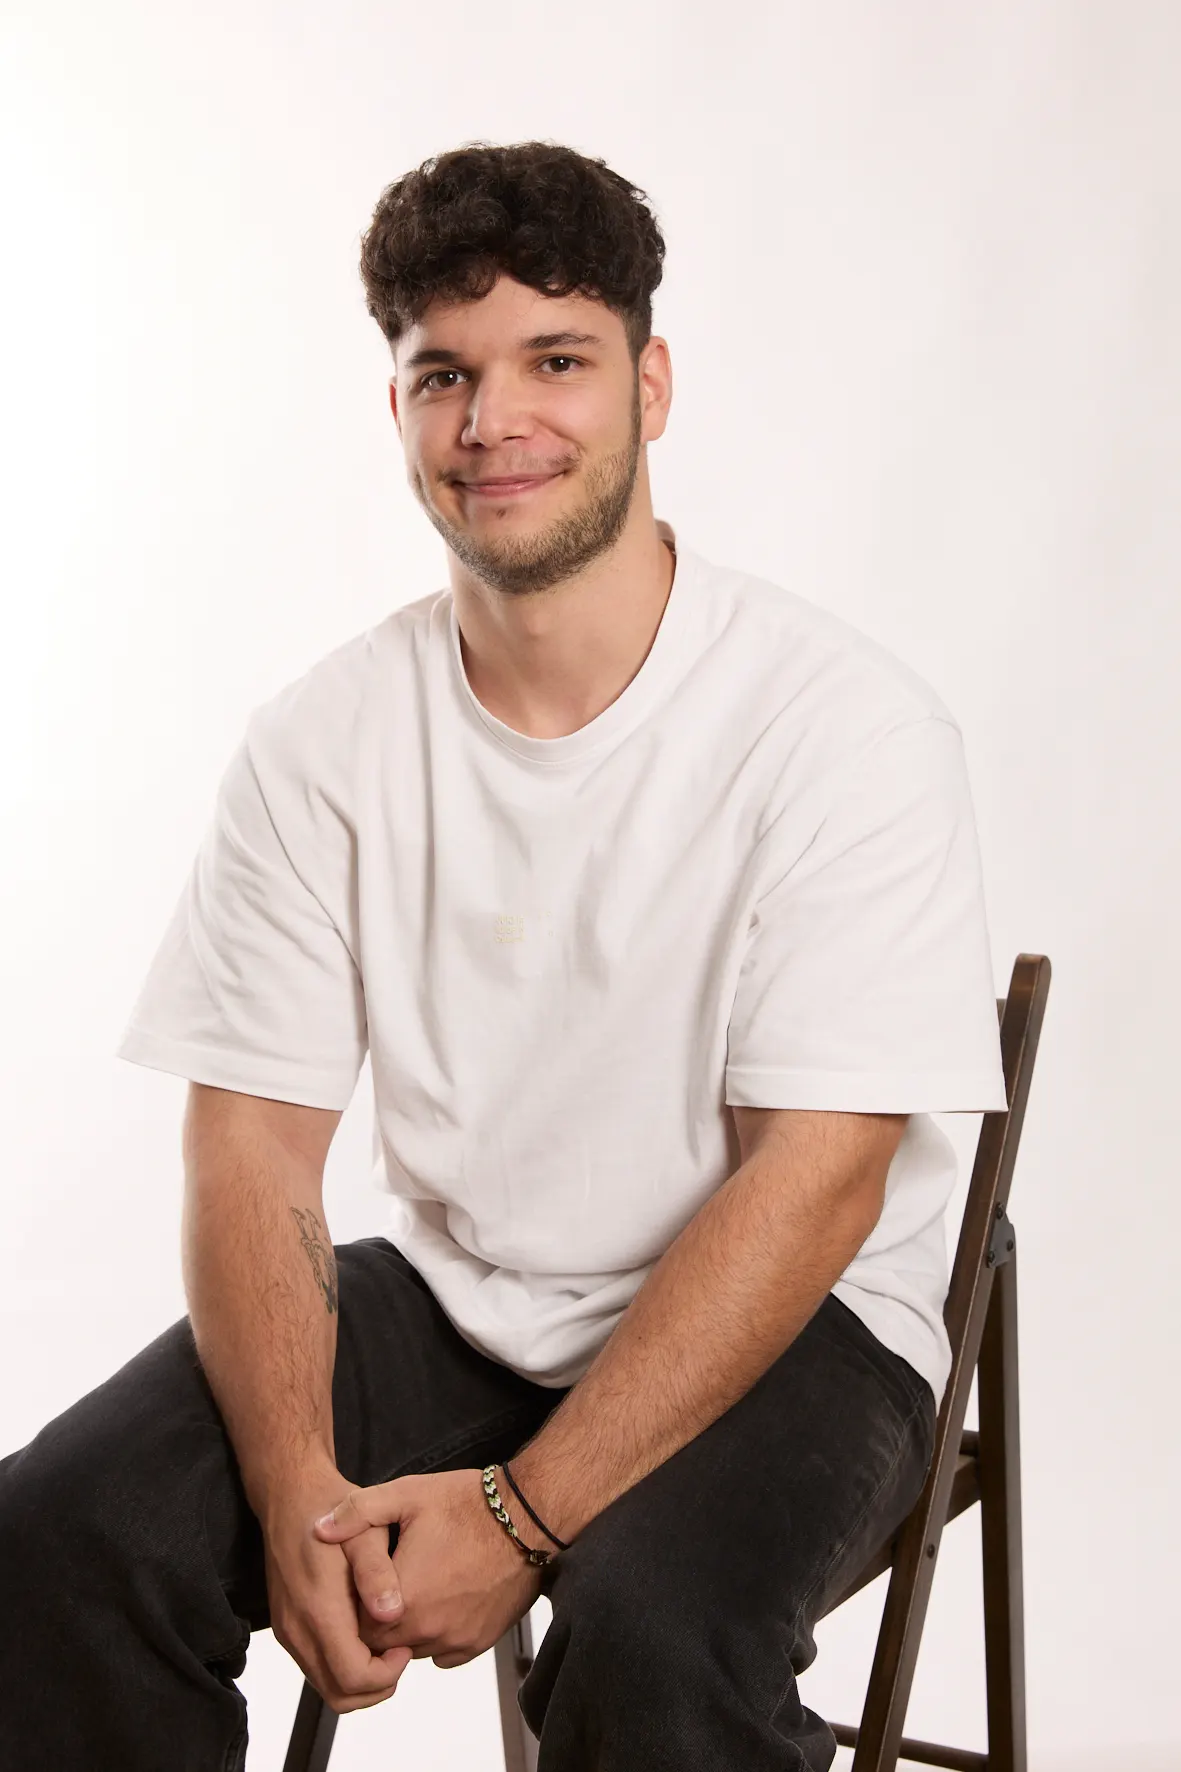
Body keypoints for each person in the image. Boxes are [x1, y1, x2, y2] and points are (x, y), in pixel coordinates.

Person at [0, 139, 1009, 1771]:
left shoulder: (843, 727)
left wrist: (525, 1519)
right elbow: (251, 1141)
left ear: (651, 384)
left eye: (557, 360)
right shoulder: (323, 741)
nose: (495, 422)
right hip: (471, 1298)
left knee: (650, 1630)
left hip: (804, 1321)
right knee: (61, 1536)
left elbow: (819, 1178)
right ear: (396, 412)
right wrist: (295, 1489)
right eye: (441, 375)